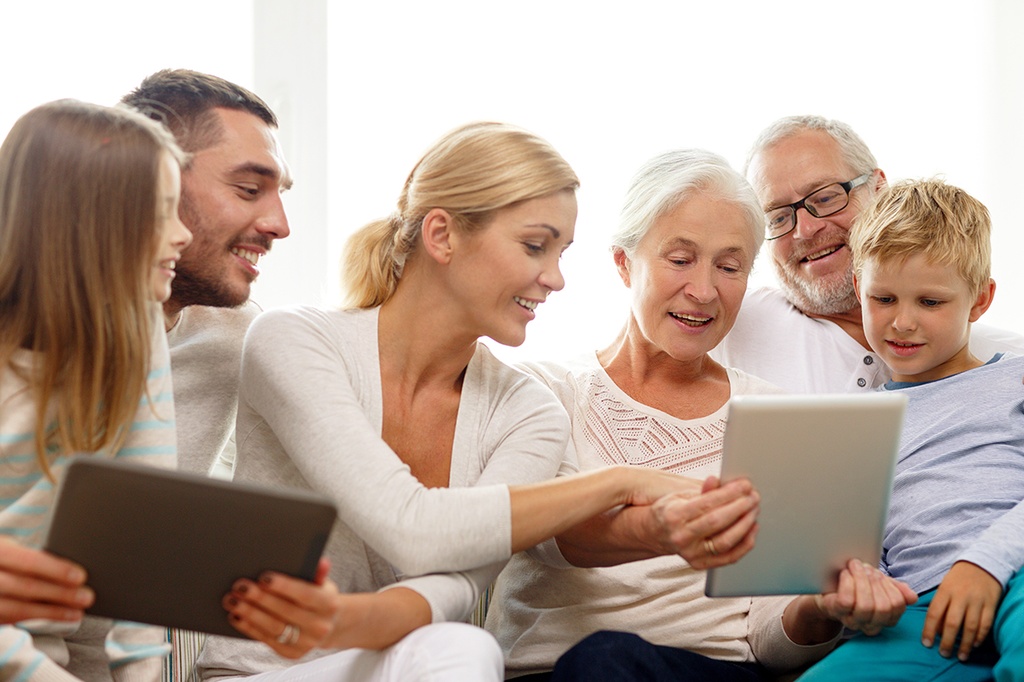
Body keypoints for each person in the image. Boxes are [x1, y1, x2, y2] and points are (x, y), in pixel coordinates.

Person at [195, 124, 763, 681]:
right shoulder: (294, 340)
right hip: (266, 672)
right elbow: (408, 523)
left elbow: (461, 581)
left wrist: (349, 621)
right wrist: (620, 482)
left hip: (398, 661)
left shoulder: (529, 409)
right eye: (536, 246)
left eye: (562, 252)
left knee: (458, 646)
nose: (556, 278)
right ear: (441, 235)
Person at [485, 150, 917, 681]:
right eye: (680, 258)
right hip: (561, 672)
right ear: (624, 262)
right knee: (603, 659)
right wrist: (660, 526)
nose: (704, 290)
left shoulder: (773, 418)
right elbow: (549, 534)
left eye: (729, 266)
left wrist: (820, 607)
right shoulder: (542, 391)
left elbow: (767, 638)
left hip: (713, 674)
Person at [798, 180, 1024, 682]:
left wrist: (985, 562)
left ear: (980, 300)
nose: (902, 322)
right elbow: (861, 551)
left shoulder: (1016, 379)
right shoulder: (854, 429)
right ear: (859, 289)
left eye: (930, 302)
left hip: (1018, 571)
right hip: (922, 609)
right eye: (883, 298)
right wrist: (862, 592)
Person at [0, 100, 192, 679]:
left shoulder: (136, 330)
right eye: (161, 213)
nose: (183, 235)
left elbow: (144, 544)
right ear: (86, 220)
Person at [710, 115, 1024, 394]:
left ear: (878, 189)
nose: (804, 230)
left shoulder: (1008, 369)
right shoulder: (730, 321)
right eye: (777, 216)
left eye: (826, 198)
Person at [121, 69, 292, 477]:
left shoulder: (236, 334)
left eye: (280, 195)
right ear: (151, 183)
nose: (280, 226)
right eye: (249, 190)